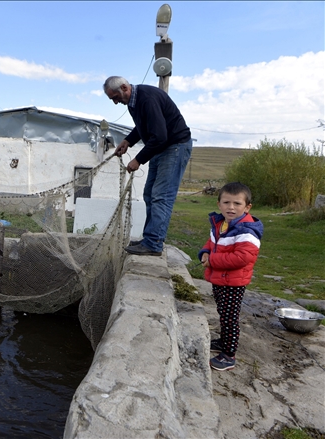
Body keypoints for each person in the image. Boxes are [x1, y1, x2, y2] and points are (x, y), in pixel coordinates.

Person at [104, 76, 192, 256]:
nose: (115, 102)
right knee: (150, 193)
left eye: (115, 97)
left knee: (161, 196)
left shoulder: (147, 99)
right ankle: (150, 238)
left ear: (124, 87)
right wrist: (128, 140)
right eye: (112, 99)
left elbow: (160, 136)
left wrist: (138, 159)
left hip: (174, 147)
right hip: (161, 148)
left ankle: (153, 243)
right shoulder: (133, 102)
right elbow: (143, 126)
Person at [198, 182, 264, 371]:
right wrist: (205, 252)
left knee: (230, 318)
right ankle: (224, 342)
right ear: (219, 204)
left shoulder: (246, 231)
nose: (231, 207)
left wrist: (213, 260)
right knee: (223, 312)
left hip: (233, 282)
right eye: (226, 202)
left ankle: (229, 355)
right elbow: (212, 243)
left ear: (247, 207)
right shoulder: (220, 224)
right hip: (221, 279)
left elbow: (242, 258)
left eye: (237, 203)